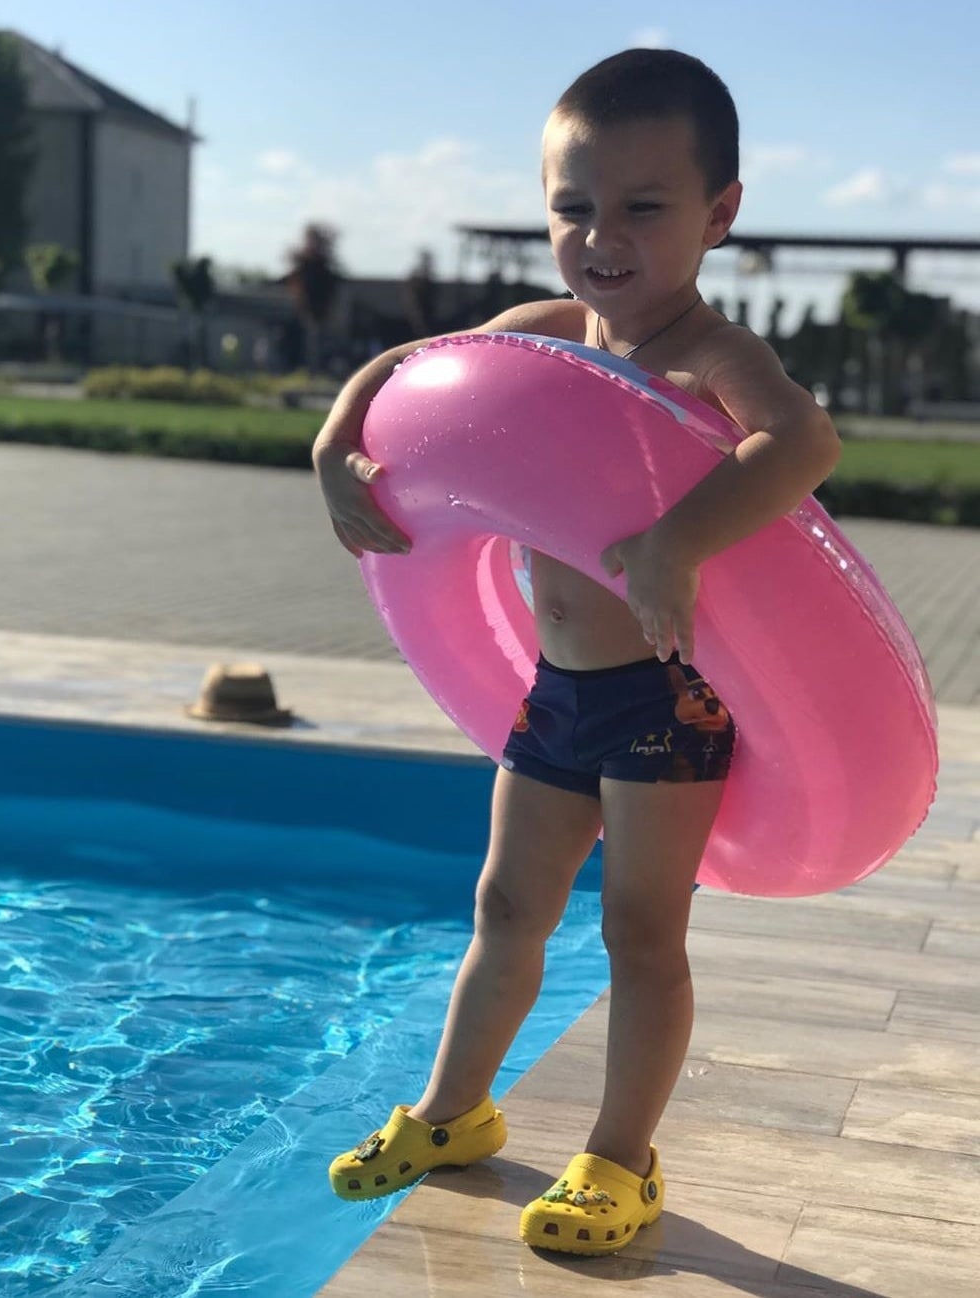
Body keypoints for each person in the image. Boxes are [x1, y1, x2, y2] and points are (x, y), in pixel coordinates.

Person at [313, 48, 841, 1256]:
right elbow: (402, 372)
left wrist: (677, 541)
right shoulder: (544, 335)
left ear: (719, 214)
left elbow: (803, 440)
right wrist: (336, 441)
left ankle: (620, 1158)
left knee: (639, 933)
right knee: (506, 903)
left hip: (667, 695)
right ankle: (453, 1111)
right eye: (574, 206)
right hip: (556, 689)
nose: (602, 237)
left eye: (643, 207)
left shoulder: (711, 356)